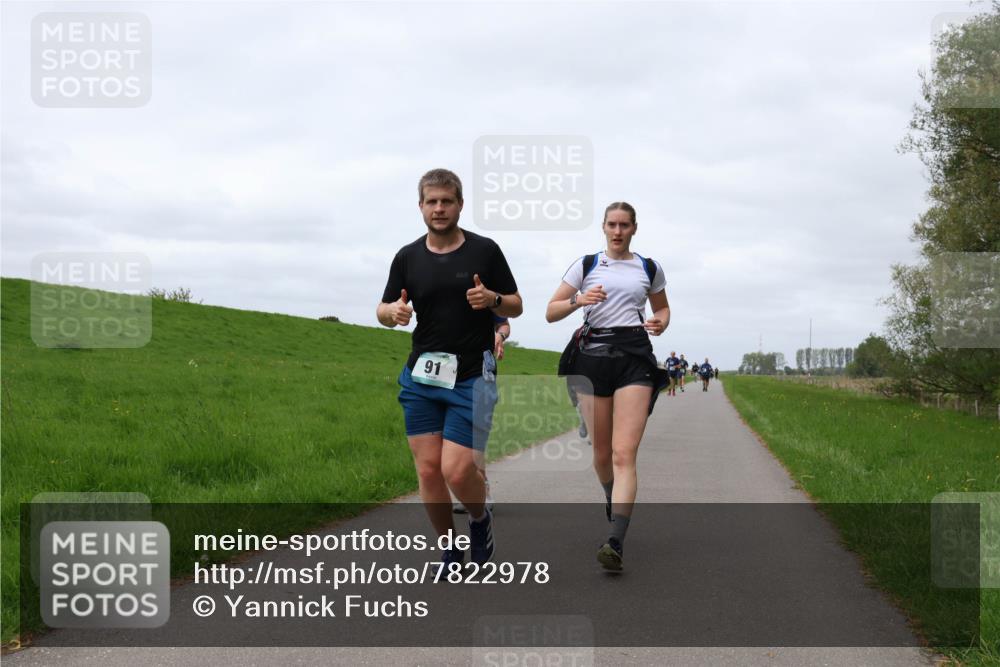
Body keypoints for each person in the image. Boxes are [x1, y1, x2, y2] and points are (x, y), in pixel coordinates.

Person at [377, 168, 522, 569]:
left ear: (460, 205)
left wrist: (492, 299)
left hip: (471, 376)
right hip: (421, 376)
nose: (439, 208)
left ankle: (479, 518)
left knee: (457, 472)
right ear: (421, 206)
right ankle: (450, 549)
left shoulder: (485, 251)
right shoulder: (407, 257)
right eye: (432, 201)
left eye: (446, 201)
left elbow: (515, 304)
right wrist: (393, 312)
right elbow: (383, 309)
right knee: (428, 472)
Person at [547, 201, 670, 572]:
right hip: (592, 357)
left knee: (622, 453)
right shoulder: (585, 264)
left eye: (624, 225)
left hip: (634, 357)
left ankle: (615, 540)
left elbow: (662, 309)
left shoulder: (648, 267)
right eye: (612, 225)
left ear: (634, 228)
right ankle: (610, 496)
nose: (618, 231)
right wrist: (578, 299)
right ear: (603, 227)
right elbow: (551, 311)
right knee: (601, 454)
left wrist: (661, 322)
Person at [454, 314, 507, 515]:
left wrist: (500, 336)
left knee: (473, 437)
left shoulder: (484, 296)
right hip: (443, 371)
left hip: (479, 371)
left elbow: (504, 324)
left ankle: (483, 492)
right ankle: (468, 491)